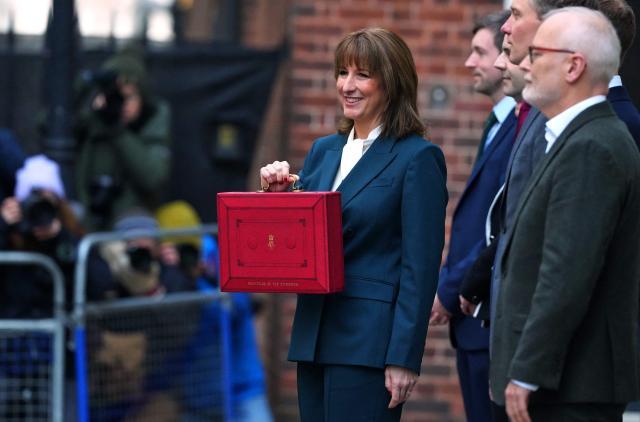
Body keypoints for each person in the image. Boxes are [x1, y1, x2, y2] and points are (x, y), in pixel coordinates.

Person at [259, 28, 447, 421]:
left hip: (369, 345)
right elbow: (298, 246)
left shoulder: (417, 157)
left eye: (362, 74)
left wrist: (404, 357)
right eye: (342, 72)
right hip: (314, 334)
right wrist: (276, 198)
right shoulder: (323, 151)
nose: (348, 85)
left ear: (391, 82)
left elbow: (420, 268)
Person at [490, 8, 640, 421]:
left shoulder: (593, 146)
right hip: (561, 381)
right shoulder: (574, 137)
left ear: (574, 66)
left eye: (538, 53)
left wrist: (527, 371)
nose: (525, 64)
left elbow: (566, 272)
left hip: (569, 386)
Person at [429, 11, 514, 422]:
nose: (470, 62)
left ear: (505, 57)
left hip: (484, 314)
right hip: (471, 318)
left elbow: (497, 224)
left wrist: (451, 289)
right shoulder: (498, 124)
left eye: (480, 51)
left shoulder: (520, 128)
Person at [74, 46, 171, 231]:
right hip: (88, 216)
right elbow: (47, 124)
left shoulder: (152, 119)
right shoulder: (93, 120)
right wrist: (84, 84)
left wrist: (118, 131)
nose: (122, 104)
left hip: (131, 220)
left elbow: (153, 177)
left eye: (129, 97)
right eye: (116, 97)